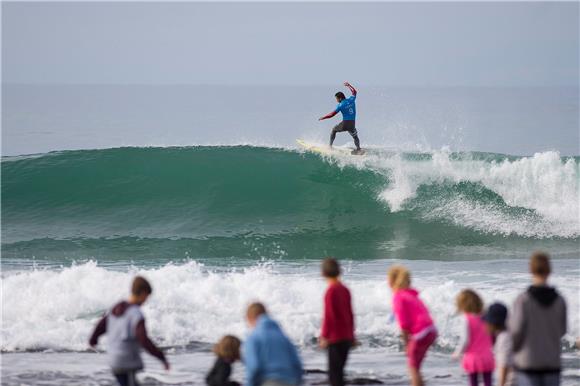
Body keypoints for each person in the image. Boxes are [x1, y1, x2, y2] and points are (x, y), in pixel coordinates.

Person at [89, 276, 170, 386]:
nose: (146, 301)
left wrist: (93, 340)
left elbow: (101, 326)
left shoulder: (115, 308)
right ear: (142, 293)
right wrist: (162, 358)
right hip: (126, 362)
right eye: (147, 297)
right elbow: (144, 340)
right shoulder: (136, 314)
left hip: (113, 360)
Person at [509, 252, 567, 386]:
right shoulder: (560, 300)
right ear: (549, 270)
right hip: (552, 363)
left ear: (531, 269)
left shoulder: (523, 300)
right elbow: (562, 330)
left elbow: (516, 332)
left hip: (528, 362)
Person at [387, 265, 437, 386]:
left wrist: (406, 344)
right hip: (431, 330)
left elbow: (404, 324)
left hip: (421, 332)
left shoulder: (399, 297)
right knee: (416, 367)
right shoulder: (412, 294)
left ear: (391, 281)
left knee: (413, 368)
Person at [243, 302, 303, 386]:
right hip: (291, 380)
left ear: (251, 318)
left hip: (269, 381)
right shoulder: (282, 336)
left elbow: (254, 367)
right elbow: (297, 363)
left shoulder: (254, 337)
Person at [319, 258, 355, 386]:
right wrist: (352, 335)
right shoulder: (345, 289)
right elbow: (350, 314)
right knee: (339, 373)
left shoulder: (331, 291)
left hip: (335, 338)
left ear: (323, 273)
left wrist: (324, 336)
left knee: (334, 376)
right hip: (346, 337)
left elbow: (329, 316)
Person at [453, 289, 494, 386]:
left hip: (473, 358)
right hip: (487, 357)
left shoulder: (467, 319)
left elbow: (465, 340)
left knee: (473, 382)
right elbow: (492, 336)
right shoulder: (486, 317)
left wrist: (458, 352)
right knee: (488, 382)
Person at [319, 81, 362, 153]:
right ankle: (358, 149)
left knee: (334, 130)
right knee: (355, 137)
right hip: (352, 123)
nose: (336, 100)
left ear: (340, 98)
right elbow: (354, 92)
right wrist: (349, 85)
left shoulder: (341, 105)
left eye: (336, 98)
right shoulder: (351, 100)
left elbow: (332, 115)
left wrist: (323, 117)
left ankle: (330, 146)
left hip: (345, 123)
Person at [483, 303, 514, 386]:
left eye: (486, 322)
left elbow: (504, 365)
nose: (484, 325)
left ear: (492, 323)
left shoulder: (503, 339)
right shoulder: (508, 334)